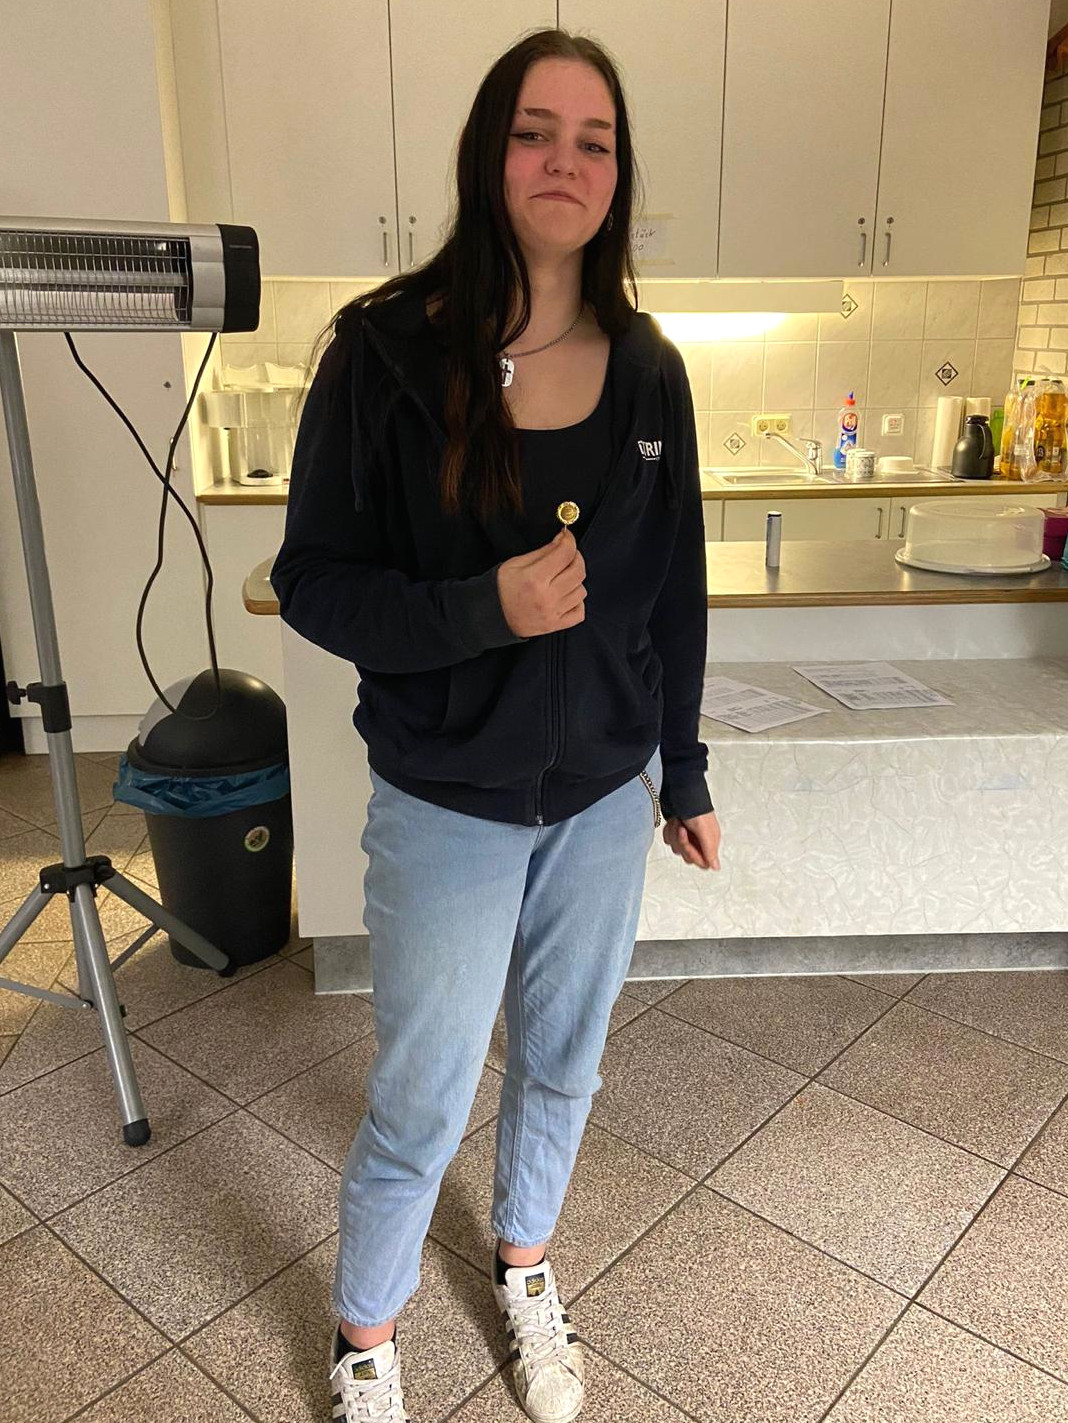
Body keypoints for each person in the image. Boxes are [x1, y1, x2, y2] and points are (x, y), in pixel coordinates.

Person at [271, 26, 722, 1423]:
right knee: (422, 1092)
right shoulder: (386, 352)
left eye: (594, 141)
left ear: (618, 174)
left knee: (564, 1064)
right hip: (446, 805)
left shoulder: (647, 369)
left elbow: (678, 590)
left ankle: (524, 1264)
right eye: (536, 132)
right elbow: (313, 581)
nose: (564, 163)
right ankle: (366, 1336)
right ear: (489, 152)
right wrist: (485, 609)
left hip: (601, 800)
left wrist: (684, 769)